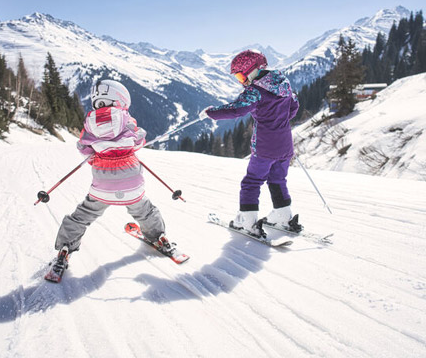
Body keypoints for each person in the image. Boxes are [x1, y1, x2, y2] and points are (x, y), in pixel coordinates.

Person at [50, 79, 175, 275]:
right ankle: (158, 237)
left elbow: (83, 148)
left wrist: (97, 158)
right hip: (131, 181)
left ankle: (65, 248)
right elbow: (139, 138)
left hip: (102, 185)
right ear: (121, 99)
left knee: (82, 215)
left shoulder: (89, 123)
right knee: (144, 209)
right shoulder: (126, 119)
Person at [199, 50, 301, 237]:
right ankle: (283, 216)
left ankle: (247, 221)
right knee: (278, 179)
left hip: (264, 146)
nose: (241, 80)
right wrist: (278, 121)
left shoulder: (256, 91)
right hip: (285, 143)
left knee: (252, 182)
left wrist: (211, 112)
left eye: (240, 75)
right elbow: (294, 107)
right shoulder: (284, 84)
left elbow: (237, 109)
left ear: (252, 70)